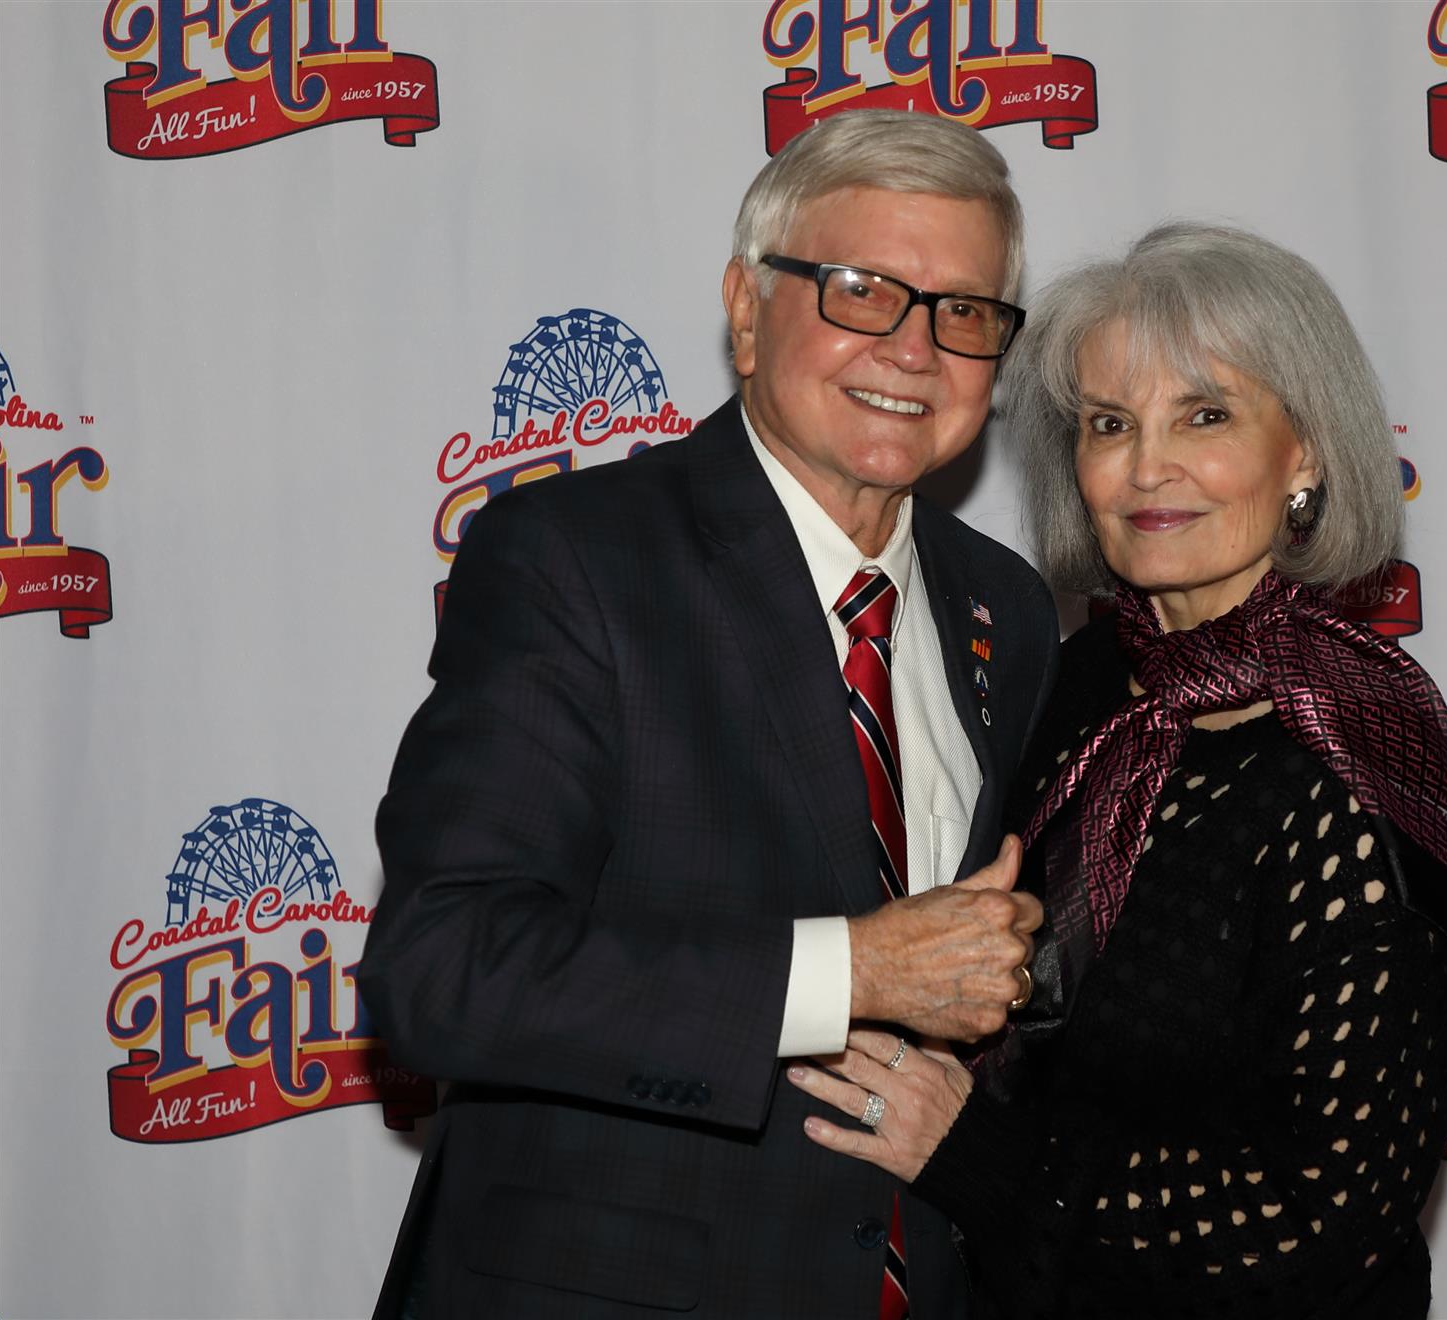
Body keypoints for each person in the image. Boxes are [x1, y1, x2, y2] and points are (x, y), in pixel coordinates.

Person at [359, 109, 1062, 1319]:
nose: (914, 349)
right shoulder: (576, 557)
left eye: (963, 311)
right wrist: (856, 969)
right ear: (746, 310)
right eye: (860, 291)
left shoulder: (1011, 605)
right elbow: (442, 972)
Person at [789, 222, 1447, 1318]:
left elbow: (1324, 1220)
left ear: (1304, 454)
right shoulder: (1080, 680)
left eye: (1205, 415)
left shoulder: (1354, 745)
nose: (1148, 467)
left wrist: (975, 1154)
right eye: (1111, 423)